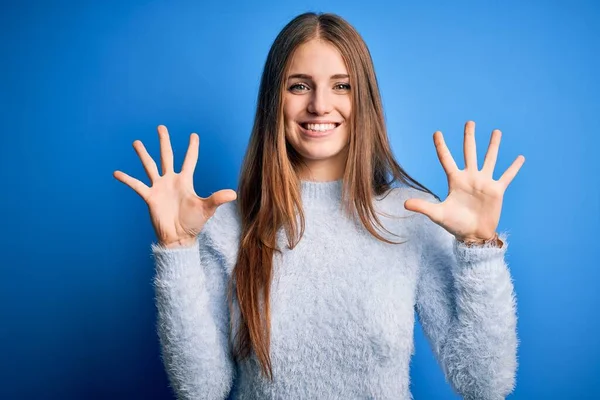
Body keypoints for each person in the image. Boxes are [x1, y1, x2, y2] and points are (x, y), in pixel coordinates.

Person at [113, 11, 524, 400]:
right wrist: (178, 250)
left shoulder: (411, 217)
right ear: (275, 100)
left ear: (365, 100)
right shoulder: (227, 226)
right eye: (299, 85)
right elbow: (201, 389)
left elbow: (484, 383)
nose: (320, 105)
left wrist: (479, 250)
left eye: (341, 85)